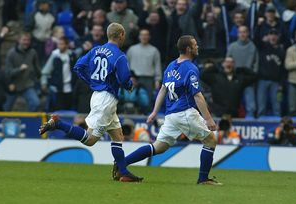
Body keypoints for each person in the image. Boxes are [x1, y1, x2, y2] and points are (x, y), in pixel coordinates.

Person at [39, 23, 143, 182]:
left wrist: (92, 81)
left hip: (98, 95)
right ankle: (58, 124)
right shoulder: (120, 55)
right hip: (106, 100)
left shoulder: (96, 50)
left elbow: (78, 66)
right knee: (90, 139)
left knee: (118, 135)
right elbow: (124, 79)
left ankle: (123, 171)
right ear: (121, 34)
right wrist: (129, 86)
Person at [114, 35, 222, 185]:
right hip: (185, 112)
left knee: (159, 147)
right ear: (189, 49)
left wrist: (154, 111)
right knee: (210, 140)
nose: (198, 47)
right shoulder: (190, 68)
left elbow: (163, 90)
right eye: (195, 45)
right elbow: (197, 96)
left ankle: (122, 163)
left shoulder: (171, 66)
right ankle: (203, 179)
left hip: (171, 114)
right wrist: (209, 119)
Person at [227, 25, 258, 118]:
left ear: (248, 33)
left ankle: (250, 119)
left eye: (244, 32)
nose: (242, 34)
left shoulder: (253, 47)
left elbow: (256, 64)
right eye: (240, 32)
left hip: (248, 78)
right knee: (232, 101)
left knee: (250, 104)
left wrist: (253, 76)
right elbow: (227, 62)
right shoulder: (232, 47)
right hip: (235, 77)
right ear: (237, 34)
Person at [4, 32, 41, 112]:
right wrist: (19, 69)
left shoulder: (33, 52)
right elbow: (7, 72)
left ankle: (28, 121)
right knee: (5, 108)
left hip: (27, 85)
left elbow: (37, 69)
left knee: (35, 103)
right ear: (19, 40)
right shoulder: (11, 53)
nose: (26, 42)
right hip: (13, 85)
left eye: (28, 40)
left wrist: (36, 79)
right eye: (24, 40)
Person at [41, 36, 77, 111]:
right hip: (57, 88)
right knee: (59, 110)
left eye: (62, 44)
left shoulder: (71, 55)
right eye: (59, 44)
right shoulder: (55, 55)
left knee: (69, 109)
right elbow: (46, 70)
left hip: (70, 87)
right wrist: (44, 83)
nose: (60, 46)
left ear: (67, 45)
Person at [256, 29, 286, 117]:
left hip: (276, 82)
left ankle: (278, 127)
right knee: (261, 106)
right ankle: (260, 125)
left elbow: (283, 70)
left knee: (277, 106)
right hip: (262, 80)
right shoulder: (263, 47)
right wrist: (259, 26)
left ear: (278, 37)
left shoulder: (282, 51)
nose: (273, 37)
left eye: (275, 35)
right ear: (267, 36)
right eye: (271, 34)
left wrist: (281, 83)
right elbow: (255, 39)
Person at [127, 29, 161, 103]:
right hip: (134, 79)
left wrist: (157, 80)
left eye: (146, 35)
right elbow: (127, 65)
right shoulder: (132, 49)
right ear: (139, 37)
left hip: (148, 79)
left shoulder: (154, 50)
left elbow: (157, 66)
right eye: (142, 35)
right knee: (131, 100)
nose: (144, 37)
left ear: (149, 37)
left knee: (148, 101)